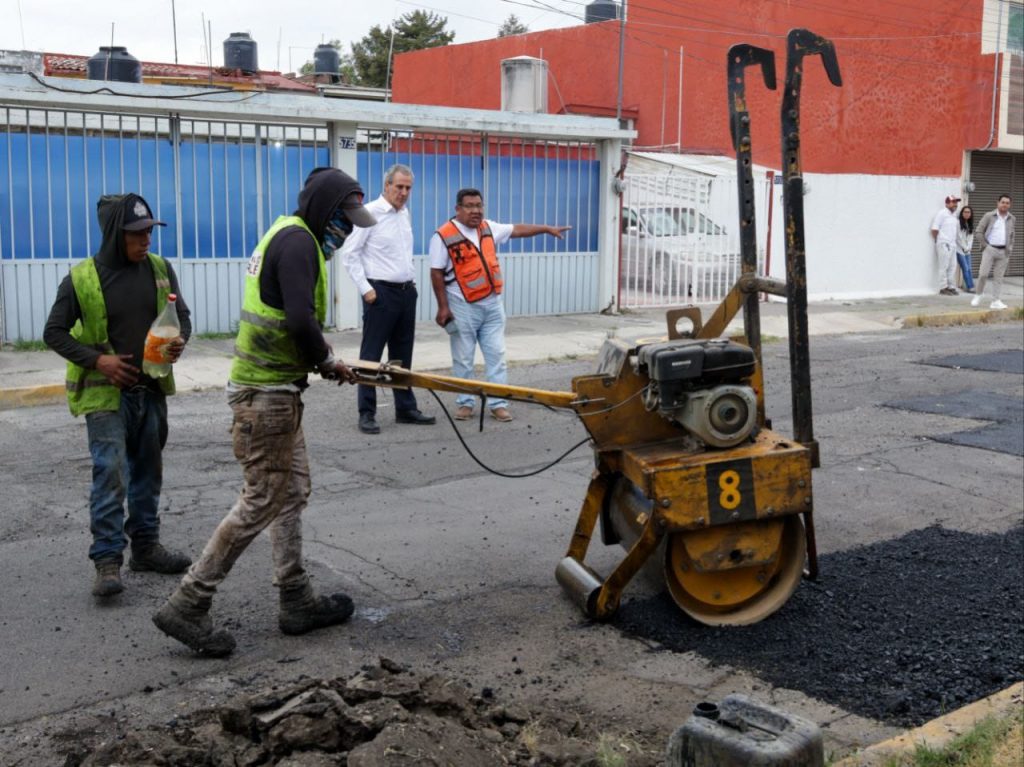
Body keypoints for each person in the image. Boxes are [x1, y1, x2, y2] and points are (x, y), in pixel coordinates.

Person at [153, 167, 375, 657]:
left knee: (291, 493)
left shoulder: (289, 235)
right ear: (323, 209)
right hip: (265, 397)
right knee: (260, 501)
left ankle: (296, 599)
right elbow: (298, 318)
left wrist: (318, 356)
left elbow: (290, 316)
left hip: (276, 390)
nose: (349, 228)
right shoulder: (298, 244)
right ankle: (188, 603)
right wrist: (325, 360)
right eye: (345, 218)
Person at [43, 193, 193, 598]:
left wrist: (180, 341)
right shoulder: (81, 278)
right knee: (110, 474)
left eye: (149, 231)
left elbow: (183, 319)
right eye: (137, 234)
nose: (146, 240)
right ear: (114, 235)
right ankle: (108, 561)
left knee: (148, 472)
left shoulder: (160, 269)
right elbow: (53, 332)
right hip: (106, 396)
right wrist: (98, 361)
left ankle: (145, 547)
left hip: (151, 389)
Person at [429, 188, 571, 422]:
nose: (476, 210)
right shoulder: (443, 235)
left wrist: (546, 229)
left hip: (493, 305)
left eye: (479, 205)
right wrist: (443, 307)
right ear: (458, 209)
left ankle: (498, 403)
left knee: (496, 355)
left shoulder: (488, 227)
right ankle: (465, 403)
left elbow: (517, 230)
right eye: (470, 206)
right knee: (463, 358)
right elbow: (436, 273)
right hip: (462, 305)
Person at [340, 164, 435, 435]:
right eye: (399, 187)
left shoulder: (404, 213)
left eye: (408, 188)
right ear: (386, 186)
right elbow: (350, 254)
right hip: (380, 294)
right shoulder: (370, 213)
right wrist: (366, 289)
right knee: (371, 357)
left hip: (406, 292)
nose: (403, 193)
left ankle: (405, 408)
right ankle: (366, 413)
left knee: (402, 355)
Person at [972, 194, 1015, 311]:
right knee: (983, 274)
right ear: (998, 203)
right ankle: (978, 294)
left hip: (1003, 252)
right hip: (990, 249)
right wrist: (985, 246)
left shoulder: (1012, 218)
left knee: (999, 277)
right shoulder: (989, 216)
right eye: (1003, 202)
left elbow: (1011, 236)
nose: (1005, 204)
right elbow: (978, 231)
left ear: (1009, 205)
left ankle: (995, 301)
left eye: (1007, 203)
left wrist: (1009, 248)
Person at [930, 194, 960, 295]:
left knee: (953, 266)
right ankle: (943, 287)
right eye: (953, 202)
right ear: (947, 203)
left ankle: (951, 286)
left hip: (953, 244)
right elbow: (934, 229)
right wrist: (939, 241)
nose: (955, 204)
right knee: (944, 266)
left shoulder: (954, 215)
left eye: (956, 202)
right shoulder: (942, 213)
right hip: (944, 244)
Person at [955, 206, 976, 294]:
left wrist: (969, 247)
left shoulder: (969, 224)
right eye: (965, 212)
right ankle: (970, 287)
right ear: (962, 213)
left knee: (969, 268)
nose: (967, 214)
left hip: (967, 250)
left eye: (969, 212)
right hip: (959, 249)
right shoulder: (958, 223)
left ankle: (971, 286)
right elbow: (958, 237)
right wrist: (964, 247)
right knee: (965, 268)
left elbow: (971, 237)